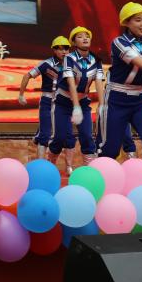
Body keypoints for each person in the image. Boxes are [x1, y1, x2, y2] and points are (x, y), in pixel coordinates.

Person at [97, 2, 142, 161]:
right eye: (138, 20)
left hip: (140, 100)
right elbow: (139, 62)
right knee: (109, 148)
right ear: (127, 22)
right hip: (116, 99)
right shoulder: (119, 42)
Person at [47, 26, 104, 174]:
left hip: (83, 103)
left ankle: (89, 172)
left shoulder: (96, 60)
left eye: (87, 36)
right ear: (73, 42)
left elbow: (98, 83)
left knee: (87, 137)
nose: (85, 38)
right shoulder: (69, 59)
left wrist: (103, 106)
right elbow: (71, 82)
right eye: (80, 36)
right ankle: (49, 164)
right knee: (60, 137)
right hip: (64, 102)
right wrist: (75, 106)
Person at [18, 35, 71, 160]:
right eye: (60, 49)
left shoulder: (72, 65)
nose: (64, 51)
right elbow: (27, 76)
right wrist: (21, 95)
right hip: (48, 101)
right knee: (45, 135)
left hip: (64, 102)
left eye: (66, 48)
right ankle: (41, 164)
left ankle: (67, 165)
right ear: (54, 50)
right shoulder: (46, 64)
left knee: (65, 135)